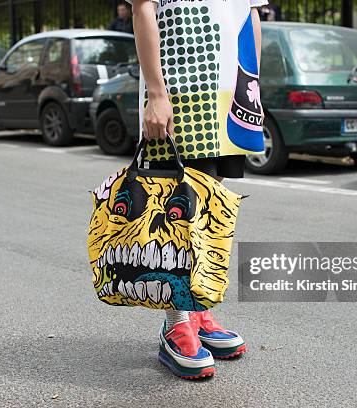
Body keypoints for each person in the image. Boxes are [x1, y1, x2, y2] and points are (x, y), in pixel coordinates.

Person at [128, 0, 267, 380]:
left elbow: (251, 14)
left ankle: (198, 309)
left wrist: (253, 84)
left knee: (211, 208)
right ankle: (176, 323)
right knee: (175, 210)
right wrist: (156, 92)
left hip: (230, 93)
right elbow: (143, 8)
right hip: (181, 93)